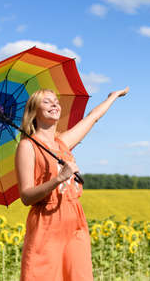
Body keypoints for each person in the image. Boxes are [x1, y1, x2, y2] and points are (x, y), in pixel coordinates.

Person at [15, 87, 129, 280]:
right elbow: (26, 196)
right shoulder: (27, 146)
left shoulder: (63, 143)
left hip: (75, 221)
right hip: (47, 224)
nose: (54, 104)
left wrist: (113, 97)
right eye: (47, 101)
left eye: (56, 101)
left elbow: (92, 118)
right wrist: (59, 178)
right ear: (34, 111)